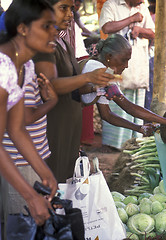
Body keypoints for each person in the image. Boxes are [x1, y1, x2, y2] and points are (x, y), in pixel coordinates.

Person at [33, 0, 114, 183]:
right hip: (54, 124)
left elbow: (71, 83)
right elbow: (50, 85)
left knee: (65, 180)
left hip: (69, 123)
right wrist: (87, 78)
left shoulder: (64, 42)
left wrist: (93, 86)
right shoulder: (44, 43)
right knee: (54, 179)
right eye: (63, 8)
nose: (70, 14)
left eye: (71, 9)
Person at [0, 0, 58, 228]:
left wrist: (45, 173)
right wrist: (30, 196)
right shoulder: (3, 67)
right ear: (22, 29)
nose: (54, 31)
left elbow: (17, 128)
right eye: (46, 26)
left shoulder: (25, 66)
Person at [81, 34, 166, 141]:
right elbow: (129, 107)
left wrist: (139, 128)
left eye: (128, 60)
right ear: (109, 57)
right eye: (123, 60)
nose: (126, 65)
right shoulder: (97, 69)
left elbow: (107, 115)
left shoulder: (104, 73)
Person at [99, 0, 156, 150]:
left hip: (138, 67)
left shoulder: (142, 7)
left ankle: (133, 143)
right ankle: (113, 147)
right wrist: (131, 19)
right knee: (117, 102)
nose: (142, 0)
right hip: (118, 67)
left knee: (136, 105)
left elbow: (152, 32)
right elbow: (106, 27)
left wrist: (139, 29)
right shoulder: (111, 5)